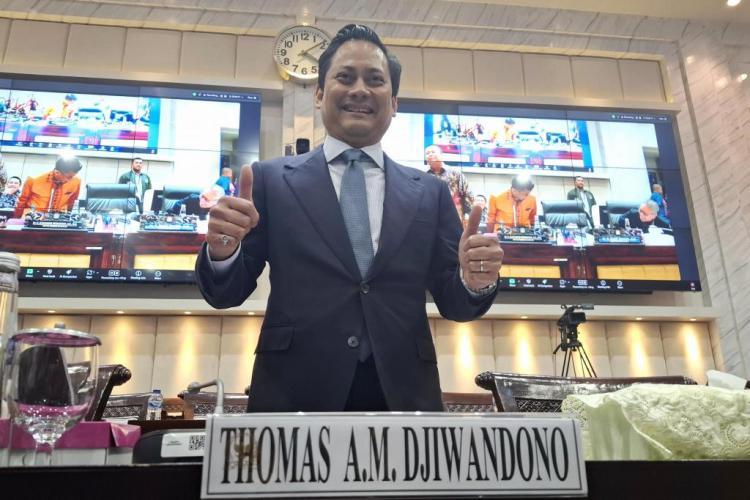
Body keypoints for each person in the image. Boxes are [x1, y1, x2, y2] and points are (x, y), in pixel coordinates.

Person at [195, 24, 503, 413]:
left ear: (394, 102)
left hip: (404, 396)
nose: (360, 89)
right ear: (319, 94)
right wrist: (222, 253)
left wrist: (475, 282)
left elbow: (455, 303)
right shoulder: (270, 181)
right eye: (345, 77)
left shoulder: (430, 192)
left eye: (375, 80)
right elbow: (225, 294)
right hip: (293, 396)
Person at [14, 156, 82, 218]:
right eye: (69, 177)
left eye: (73, 176)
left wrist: (70, 219)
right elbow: (22, 201)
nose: (70, 180)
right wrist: (16, 219)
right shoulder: (33, 179)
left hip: (59, 218)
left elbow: (72, 203)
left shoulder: (76, 181)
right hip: (33, 216)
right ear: (57, 172)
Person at [424, 144, 473, 220]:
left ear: (441, 155)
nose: (430, 154)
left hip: (453, 216)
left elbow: (467, 193)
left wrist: (467, 214)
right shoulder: (423, 175)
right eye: (427, 153)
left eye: (433, 152)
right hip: (430, 217)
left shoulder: (455, 173)